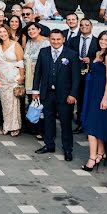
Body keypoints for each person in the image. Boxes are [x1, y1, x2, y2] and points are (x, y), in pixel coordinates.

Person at [32, 29, 80, 161]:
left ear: (63, 39)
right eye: (53, 39)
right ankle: (49, 144)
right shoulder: (44, 52)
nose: (56, 42)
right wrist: (35, 90)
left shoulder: (71, 54)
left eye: (58, 39)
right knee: (48, 120)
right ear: (49, 39)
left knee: (65, 123)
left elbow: (76, 78)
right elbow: (38, 72)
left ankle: (67, 149)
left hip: (64, 95)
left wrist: (73, 94)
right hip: (47, 93)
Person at [80, 30, 107, 171]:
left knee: (92, 126)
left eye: (106, 40)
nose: (103, 42)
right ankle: (101, 153)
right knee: (98, 124)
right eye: (102, 39)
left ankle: (92, 158)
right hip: (92, 90)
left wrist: (105, 98)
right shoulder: (97, 54)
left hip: (102, 92)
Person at [0, 24, 24, 137]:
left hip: (13, 77)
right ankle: (7, 125)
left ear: (8, 32)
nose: (2, 34)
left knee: (14, 103)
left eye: (4, 32)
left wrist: (21, 77)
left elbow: (20, 62)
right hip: (2, 78)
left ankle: (15, 126)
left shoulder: (16, 45)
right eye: (0, 32)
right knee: (5, 103)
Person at [22, 22, 49, 137]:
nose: (31, 32)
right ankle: (33, 127)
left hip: (41, 77)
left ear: (39, 30)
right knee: (32, 102)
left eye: (33, 29)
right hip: (29, 77)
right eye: (29, 30)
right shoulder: (29, 42)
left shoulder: (46, 42)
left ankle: (43, 130)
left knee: (41, 103)